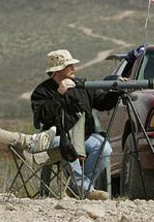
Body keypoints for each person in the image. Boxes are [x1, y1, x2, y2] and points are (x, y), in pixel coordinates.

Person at [31, 49, 120, 200]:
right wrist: (59, 94)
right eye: (69, 66)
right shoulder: (41, 91)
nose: (74, 68)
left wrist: (115, 91)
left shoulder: (81, 86)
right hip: (57, 138)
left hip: (83, 138)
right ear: (58, 70)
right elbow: (43, 118)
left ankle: (78, 187)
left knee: (104, 148)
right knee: (66, 145)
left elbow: (103, 103)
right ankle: (86, 190)